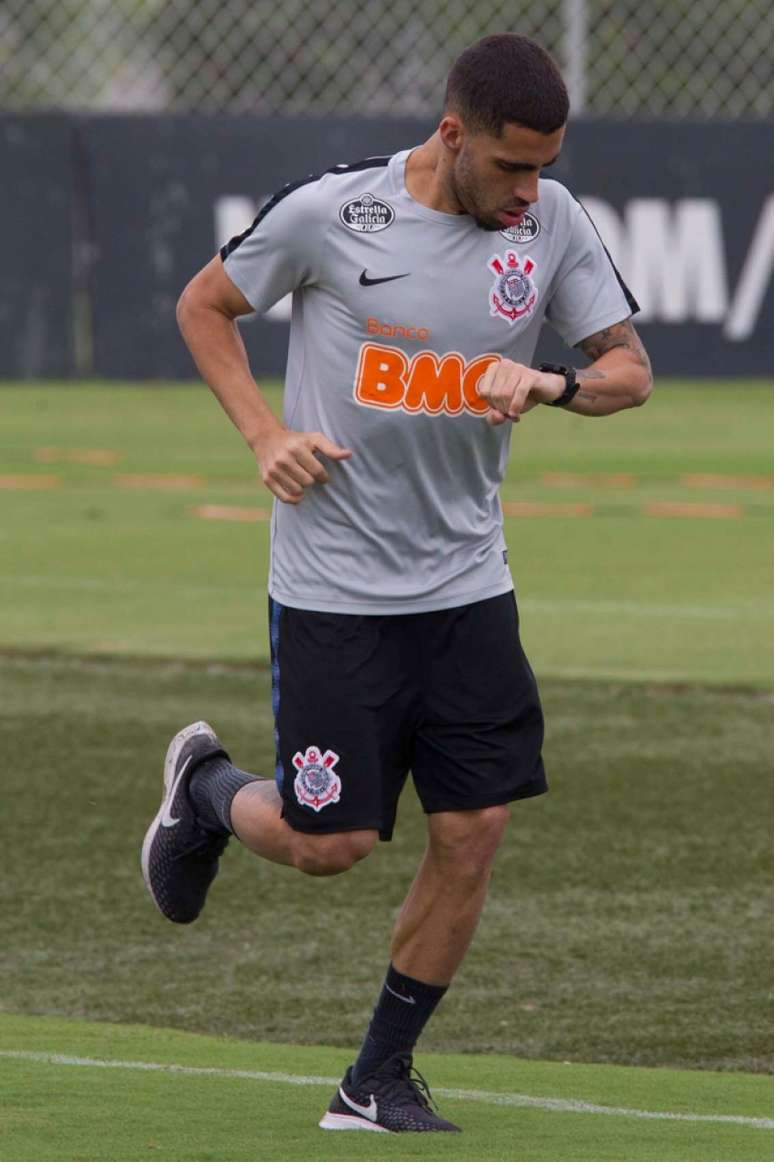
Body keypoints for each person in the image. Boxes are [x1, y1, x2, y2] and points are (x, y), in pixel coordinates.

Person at [141, 32, 652, 1134]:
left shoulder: (551, 223)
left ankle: (375, 1078)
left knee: (473, 830)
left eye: (547, 168)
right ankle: (210, 792)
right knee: (332, 845)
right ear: (453, 134)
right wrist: (264, 432)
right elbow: (204, 305)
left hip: (469, 585)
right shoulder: (333, 214)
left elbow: (628, 369)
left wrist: (553, 380)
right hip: (334, 590)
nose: (532, 191)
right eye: (513, 167)